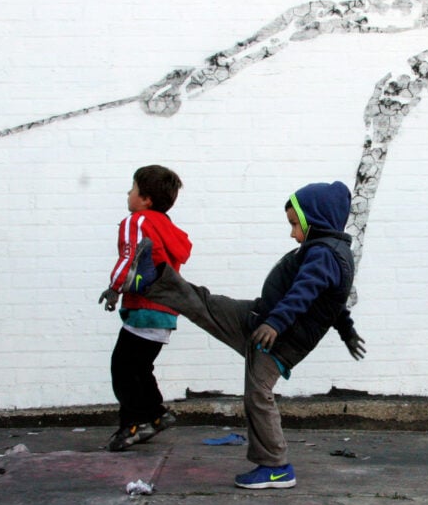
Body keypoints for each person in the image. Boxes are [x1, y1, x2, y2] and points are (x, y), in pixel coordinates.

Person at [123, 180, 366, 488]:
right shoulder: (323, 251)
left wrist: (276, 323)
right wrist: (347, 332)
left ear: (316, 219)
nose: (292, 233)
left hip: (277, 340)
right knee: (207, 304)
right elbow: (333, 304)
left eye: (295, 225)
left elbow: (305, 294)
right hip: (260, 319)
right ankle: (152, 278)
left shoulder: (326, 255)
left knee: (257, 397)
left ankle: (276, 467)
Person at [98, 165, 192, 452]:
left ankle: (135, 424)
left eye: (133, 188)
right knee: (138, 367)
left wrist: (114, 287)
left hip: (143, 307)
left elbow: (130, 257)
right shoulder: (168, 226)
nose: (129, 193)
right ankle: (156, 414)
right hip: (165, 311)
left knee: (123, 368)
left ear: (146, 199)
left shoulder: (137, 221)